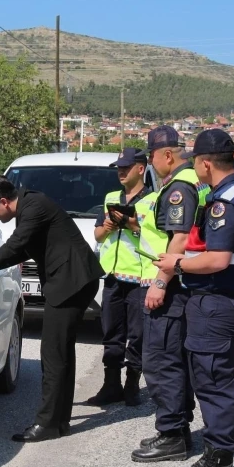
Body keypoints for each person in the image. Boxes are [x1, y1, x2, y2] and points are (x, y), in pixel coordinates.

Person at [154, 129, 234, 467]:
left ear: (204, 163)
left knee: (213, 381)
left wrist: (176, 265)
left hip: (218, 301)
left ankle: (217, 462)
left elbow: (217, 260)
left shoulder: (224, 202)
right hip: (231, 300)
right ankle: (219, 457)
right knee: (216, 377)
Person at [0, 175, 104, 443]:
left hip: (71, 282)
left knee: (53, 355)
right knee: (61, 353)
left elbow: (18, 243)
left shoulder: (33, 207)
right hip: (73, 281)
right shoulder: (29, 205)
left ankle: (48, 424)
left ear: (4, 202)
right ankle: (59, 421)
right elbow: (26, 247)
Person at [130, 126, 210, 463]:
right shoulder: (194, 182)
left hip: (172, 285)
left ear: (166, 155)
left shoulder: (179, 187)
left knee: (161, 361)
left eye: (150, 156)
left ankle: (173, 434)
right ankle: (175, 430)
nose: (149, 162)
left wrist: (160, 283)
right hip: (184, 283)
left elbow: (178, 239)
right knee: (172, 360)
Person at [88, 147, 149, 407]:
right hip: (112, 276)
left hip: (139, 278)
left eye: (126, 167)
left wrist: (133, 226)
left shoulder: (153, 200)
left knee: (137, 335)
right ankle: (111, 384)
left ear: (141, 169)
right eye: (119, 167)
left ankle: (132, 385)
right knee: (111, 333)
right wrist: (108, 226)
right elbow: (97, 235)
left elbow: (157, 238)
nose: (121, 171)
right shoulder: (111, 197)